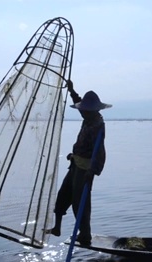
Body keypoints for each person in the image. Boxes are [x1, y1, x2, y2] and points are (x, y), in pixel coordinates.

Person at [45, 79, 111, 246]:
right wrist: (72, 91)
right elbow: (78, 103)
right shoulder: (88, 117)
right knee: (63, 194)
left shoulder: (98, 125)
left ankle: (85, 234)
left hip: (86, 168)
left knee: (80, 202)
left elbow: (100, 152)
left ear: (94, 110)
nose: (84, 112)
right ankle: (57, 228)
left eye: (87, 110)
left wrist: (93, 170)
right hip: (75, 163)